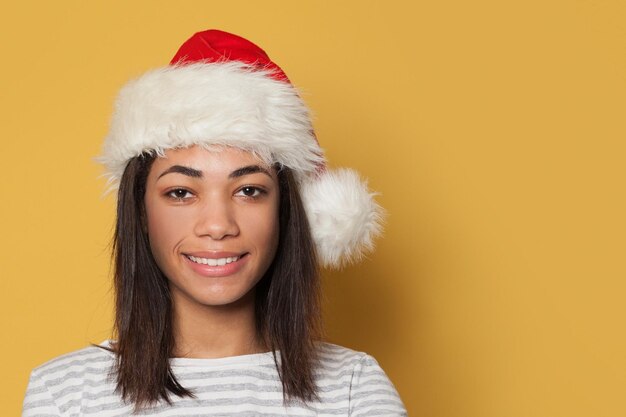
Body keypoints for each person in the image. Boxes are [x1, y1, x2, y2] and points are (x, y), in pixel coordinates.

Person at [22, 29, 407, 416]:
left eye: (249, 190)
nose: (218, 225)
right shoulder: (63, 395)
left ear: (286, 211)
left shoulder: (353, 387)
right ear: (140, 211)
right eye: (181, 192)